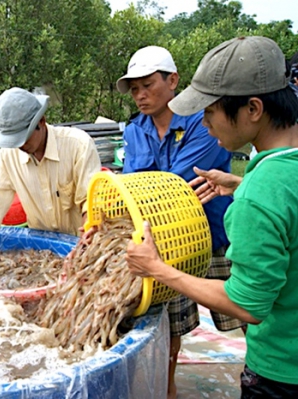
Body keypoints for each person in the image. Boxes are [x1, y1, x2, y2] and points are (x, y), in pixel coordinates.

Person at [127, 36, 298, 398]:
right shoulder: (276, 175)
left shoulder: (260, 193)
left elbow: (247, 304)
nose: (204, 124)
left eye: (210, 112)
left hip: (283, 370)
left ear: (253, 109)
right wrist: (240, 182)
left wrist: (157, 269)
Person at [116, 45, 245, 399]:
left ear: (173, 80)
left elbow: (175, 184)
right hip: (166, 242)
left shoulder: (204, 122)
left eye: (148, 85)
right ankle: (168, 390)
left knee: (246, 310)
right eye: (135, 89)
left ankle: (262, 377)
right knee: (170, 325)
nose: (140, 95)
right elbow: (131, 186)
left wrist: (141, 193)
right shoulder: (135, 131)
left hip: (214, 231)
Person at [0, 87, 102, 270]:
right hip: (42, 251)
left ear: (41, 121)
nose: (19, 146)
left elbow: (90, 203)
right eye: (13, 140)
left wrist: (85, 242)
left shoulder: (78, 145)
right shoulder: (7, 156)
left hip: (80, 243)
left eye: (23, 138)